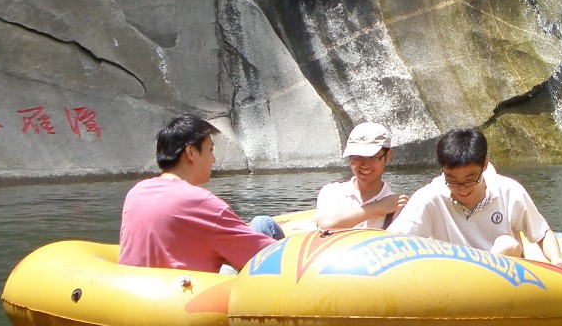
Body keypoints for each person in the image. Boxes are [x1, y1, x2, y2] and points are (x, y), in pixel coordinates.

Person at [119, 114, 282, 272]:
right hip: (196, 289)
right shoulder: (200, 202)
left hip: (140, 287)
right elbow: (271, 255)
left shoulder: (135, 193)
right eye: (210, 150)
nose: (213, 159)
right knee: (263, 223)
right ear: (191, 152)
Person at [390, 127, 562, 262]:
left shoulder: (509, 190)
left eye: (470, 180)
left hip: (505, 276)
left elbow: (542, 233)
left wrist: (557, 260)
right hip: (456, 277)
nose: (462, 189)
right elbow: (395, 239)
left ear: (484, 166)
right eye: (452, 181)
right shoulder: (430, 196)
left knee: (507, 244)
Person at [315, 122, 409, 230]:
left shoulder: (397, 204)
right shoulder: (332, 192)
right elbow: (325, 224)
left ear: (387, 156)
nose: (364, 164)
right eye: (357, 157)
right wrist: (377, 207)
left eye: (372, 157)